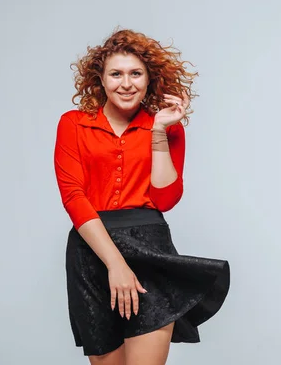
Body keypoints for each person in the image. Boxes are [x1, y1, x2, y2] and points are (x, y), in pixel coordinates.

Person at [53, 28, 230, 365]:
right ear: (100, 80)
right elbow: (73, 196)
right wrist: (115, 264)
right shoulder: (73, 124)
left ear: (150, 79)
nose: (126, 83)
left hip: (150, 249)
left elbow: (164, 200)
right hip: (92, 253)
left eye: (136, 74)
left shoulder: (167, 127)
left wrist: (160, 132)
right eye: (116, 74)